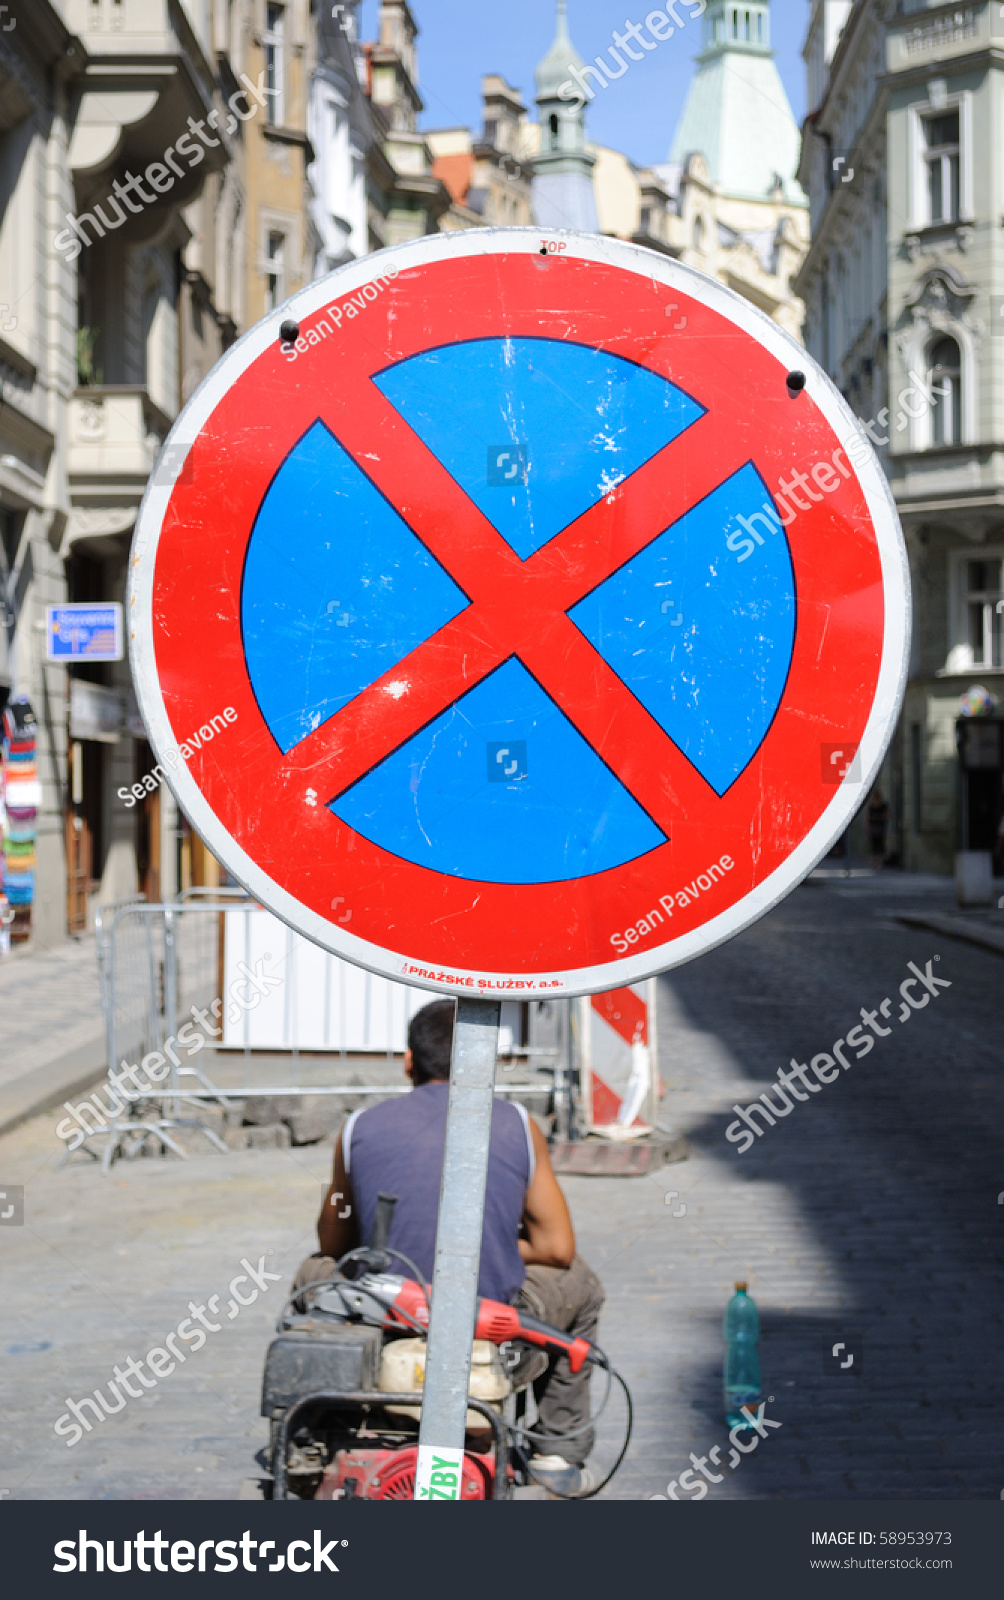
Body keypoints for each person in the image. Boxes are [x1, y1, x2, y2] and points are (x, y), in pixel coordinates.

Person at [294, 999, 605, 1497]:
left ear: (409, 1061)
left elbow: (334, 1242)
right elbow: (557, 1249)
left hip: (383, 1306)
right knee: (582, 1285)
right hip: (489, 1312)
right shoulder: (518, 1124)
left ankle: (315, 1424)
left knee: (312, 1271)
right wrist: (490, 1242)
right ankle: (556, 1454)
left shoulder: (358, 1129)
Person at [866, 788, 890, 867]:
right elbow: (868, 817)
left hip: (880, 827)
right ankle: (874, 861)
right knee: (873, 844)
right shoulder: (871, 806)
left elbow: (886, 815)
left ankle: (880, 861)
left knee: (880, 844)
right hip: (873, 827)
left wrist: (877, 817)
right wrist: (868, 826)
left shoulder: (883, 805)